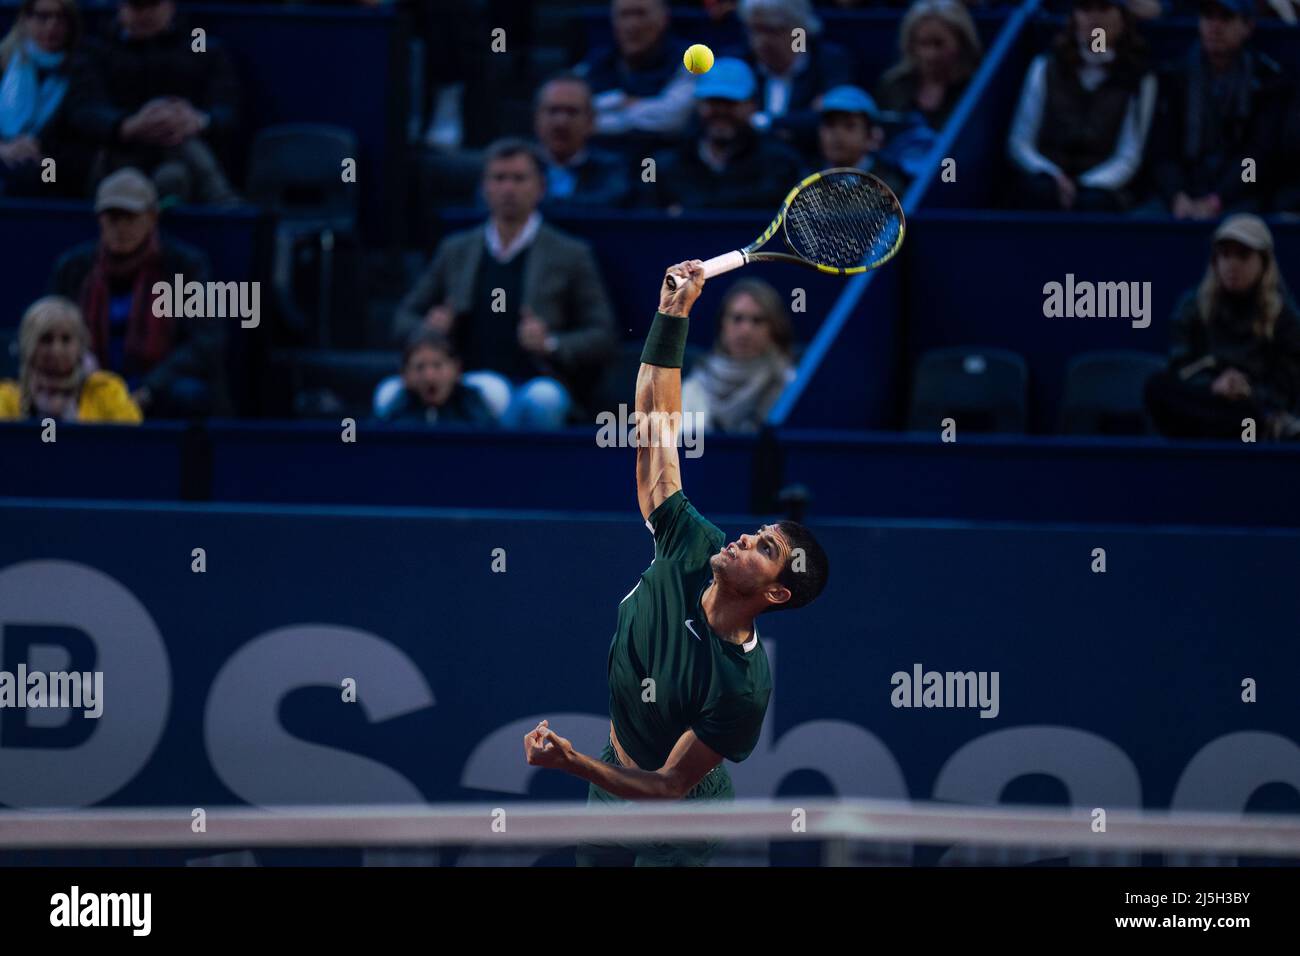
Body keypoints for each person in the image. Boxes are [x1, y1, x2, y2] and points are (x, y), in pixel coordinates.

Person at [523, 258, 830, 867]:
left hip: (678, 819)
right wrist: (673, 314)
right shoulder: (693, 543)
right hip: (613, 779)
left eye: (765, 550)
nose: (745, 539)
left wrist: (567, 761)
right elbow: (657, 427)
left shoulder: (742, 688)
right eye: (758, 533)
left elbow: (667, 788)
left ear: (775, 595)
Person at [391, 138, 616, 428]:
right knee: (388, 396)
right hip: (462, 384)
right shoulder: (456, 250)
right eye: (499, 178)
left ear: (540, 187)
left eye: (519, 178)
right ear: (484, 187)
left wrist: (551, 343)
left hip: (532, 383)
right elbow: (403, 319)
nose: (508, 188)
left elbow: (603, 335)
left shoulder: (570, 253)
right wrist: (429, 331)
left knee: (544, 401)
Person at [48, 167, 228, 417]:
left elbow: (206, 342)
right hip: (88, 381)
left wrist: (150, 387)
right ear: (99, 220)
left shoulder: (186, 266)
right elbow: (47, 331)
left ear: (152, 217)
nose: (120, 228)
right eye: (112, 218)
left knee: (189, 394)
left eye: (130, 217)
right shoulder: (73, 268)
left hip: (159, 382)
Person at [67, 0, 240, 205]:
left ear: (171, 5)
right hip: (118, 157)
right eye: (137, 6)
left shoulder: (202, 47)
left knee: (173, 175)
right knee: (168, 149)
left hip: (180, 156)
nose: (145, 14)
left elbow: (227, 110)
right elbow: (84, 110)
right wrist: (127, 125)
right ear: (120, 7)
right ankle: (225, 202)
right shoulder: (95, 50)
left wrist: (197, 121)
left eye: (153, 4)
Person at [1144, 214, 1300, 440]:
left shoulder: (1284, 316)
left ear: (1264, 263)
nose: (1232, 265)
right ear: (1214, 261)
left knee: (1252, 416)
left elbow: (1288, 386)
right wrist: (1215, 384)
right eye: (1225, 255)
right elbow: (1181, 366)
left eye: (1243, 255)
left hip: (1253, 410)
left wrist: (1247, 391)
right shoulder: (1193, 306)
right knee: (1157, 387)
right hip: (1207, 402)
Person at [1145, 0, 1291, 219]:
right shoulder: (1175, 76)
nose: (1215, 26)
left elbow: (1258, 156)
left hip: (1241, 195)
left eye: (1226, 18)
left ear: (1247, 26)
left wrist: (1218, 199)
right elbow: (1163, 150)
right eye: (1208, 17)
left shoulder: (1267, 79)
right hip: (1183, 193)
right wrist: (1177, 195)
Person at [1007, 0, 1157, 211]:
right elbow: (1020, 142)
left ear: (1123, 18)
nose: (1095, 18)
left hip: (1102, 187)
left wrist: (1084, 186)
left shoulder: (1140, 78)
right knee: (1038, 192)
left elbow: (1129, 156)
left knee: (1092, 203)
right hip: (1048, 177)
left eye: (1104, 9)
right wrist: (1053, 176)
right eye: (1086, 9)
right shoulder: (1044, 67)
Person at [650, 57, 804, 210]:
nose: (721, 112)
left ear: (752, 105)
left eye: (730, 103)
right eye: (713, 102)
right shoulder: (668, 166)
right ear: (698, 105)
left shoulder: (781, 165)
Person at [734, 0, 855, 157]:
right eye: (755, 30)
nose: (762, 41)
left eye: (773, 30)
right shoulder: (740, 61)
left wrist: (762, 121)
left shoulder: (829, 63)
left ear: (800, 31)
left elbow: (825, 119)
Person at [0, 295, 141, 423]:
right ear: (27, 346)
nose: (56, 350)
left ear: (81, 346)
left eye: (66, 339)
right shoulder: (7, 398)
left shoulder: (106, 392)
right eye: (46, 339)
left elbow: (132, 444)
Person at [682, 278, 796, 434]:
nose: (745, 330)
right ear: (722, 325)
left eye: (757, 320)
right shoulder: (694, 386)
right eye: (737, 318)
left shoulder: (789, 385)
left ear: (774, 328)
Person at [0, 0, 86, 197]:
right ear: (25, 20)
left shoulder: (83, 70)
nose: (51, 26)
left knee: (38, 176)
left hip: (54, 162)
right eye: (42, 16)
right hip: (4, 152)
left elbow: (84, 132)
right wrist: (3, 148)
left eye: (61, 18)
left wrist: (39, 151)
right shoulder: (3, 63)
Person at [576, 0, 695, 142]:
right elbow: (570, 110)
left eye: (641, 14)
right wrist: (620, 100)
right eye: (624, 15)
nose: (632, 25)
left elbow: (673, 118)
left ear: (664, 18)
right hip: (601, 158)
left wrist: (597, 116)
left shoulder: (689, 60)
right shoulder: (593, 65)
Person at [875, 0, 983, 130]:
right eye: (923, 43)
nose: (930, 54)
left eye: (939, 44)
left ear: (961, 42)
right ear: (911, 44)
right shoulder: (892, 86)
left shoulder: (975, 89)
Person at [534, 74, 630, 210]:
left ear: (591, 121)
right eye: (553, 111)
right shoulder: (515, 168)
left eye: (572, 112)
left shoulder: (613, 169)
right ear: (537, 117)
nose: (561, 122)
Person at [373, 329, 495, 426]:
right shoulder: (397, 409)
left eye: (438, 366)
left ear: (457, 370)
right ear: (405, 375)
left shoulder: (473, 406)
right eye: (420, 367)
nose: (429, 377)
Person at [815, 84, 910, 197]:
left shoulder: (889, 186)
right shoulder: (807, 179)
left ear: (870, 136)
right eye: (830, 125)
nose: (837, 134)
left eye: (849, 126)